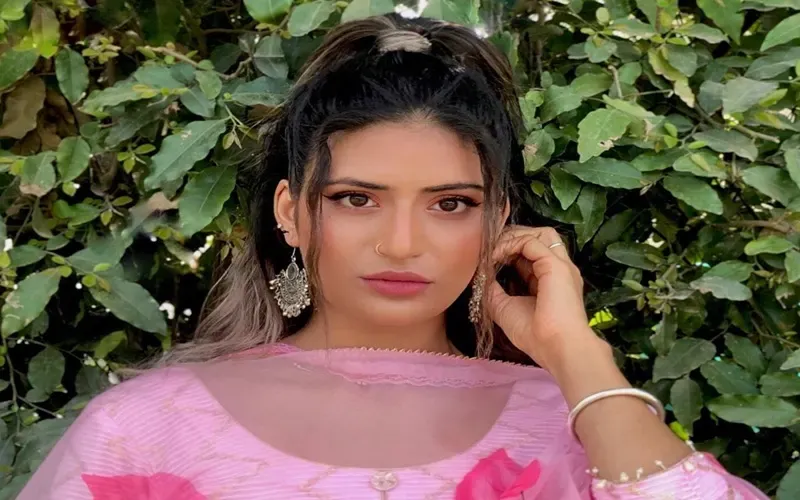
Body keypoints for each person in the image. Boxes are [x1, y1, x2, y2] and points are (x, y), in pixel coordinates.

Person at [18, 14, 768, 500]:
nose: (403, 243)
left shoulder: (574, 426)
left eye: (451, 204)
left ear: (499, 220)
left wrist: (577, 355)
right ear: (291, 212)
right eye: (356, 199)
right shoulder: (149, 427)